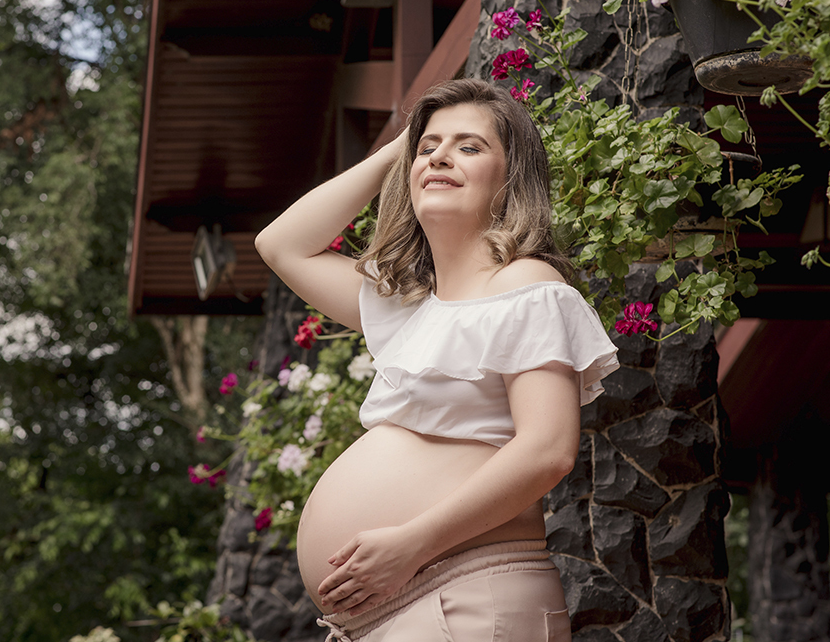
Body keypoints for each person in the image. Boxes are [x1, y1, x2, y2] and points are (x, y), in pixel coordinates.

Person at [254, 78, 619, 641]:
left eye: (470, 147)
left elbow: (547, 450)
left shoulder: (526, 283)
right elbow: (281, 244)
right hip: (395, 608)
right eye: (430, 147)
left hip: (466, 592)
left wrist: (410, 545)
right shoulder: (408, 306)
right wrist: (404, 148)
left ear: (509, 178)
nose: (441, 156)